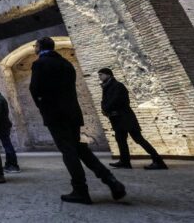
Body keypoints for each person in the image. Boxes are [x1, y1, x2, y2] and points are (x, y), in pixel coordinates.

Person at [30, 37, 125, 204]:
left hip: (55, 114)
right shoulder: (66, 64)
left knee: (69, 151)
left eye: (35, 46)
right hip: (72, 113)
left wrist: (42, 106)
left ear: (39, 47)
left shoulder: (40, 64)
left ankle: (80, 190)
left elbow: (34, 89)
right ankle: (110, 180)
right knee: (79, 148)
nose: (34, 48)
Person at [98, 68, 167, 170]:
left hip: (125, 117)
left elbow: (117, 100)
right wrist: (104, 109)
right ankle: (124, 162)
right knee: (120, 140)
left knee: (138, 139)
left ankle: (159, 161)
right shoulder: (106, 87)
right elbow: (104, 101)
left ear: (108, 75)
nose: (99, 77)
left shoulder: (118, 86)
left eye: (101, 74)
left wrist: (106, 108)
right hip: (117, 118)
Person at [0, 85, 20, 173]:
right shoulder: (1, 97)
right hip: (5, 125)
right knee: (7, 144)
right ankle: (9, 164)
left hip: (1, 126)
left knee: (7, 145)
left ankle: (13, 166)